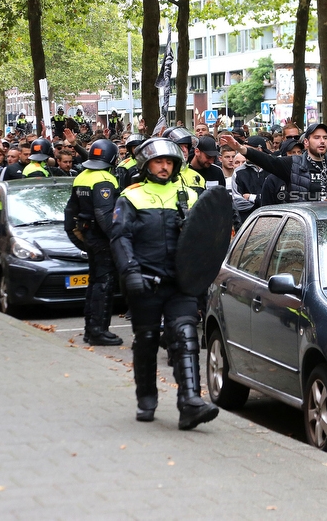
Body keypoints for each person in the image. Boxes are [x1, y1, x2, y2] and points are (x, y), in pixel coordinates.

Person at [110, 138, 219, 429]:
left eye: (169, 162)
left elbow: (203, 236)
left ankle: (190, 402)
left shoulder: (188, 196)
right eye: (158, 162)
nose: (164, 167)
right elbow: (120, 237)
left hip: (180, 282)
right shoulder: (130, 197)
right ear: (146, 165)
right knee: (146, 341)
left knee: (186, 336)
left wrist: (202, 275)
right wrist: (129, 270)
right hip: (144, 282)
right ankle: (146, 396)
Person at [65, 139, 123, 346]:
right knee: (104, 284)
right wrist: (117, 238)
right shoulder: (105, 179)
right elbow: (104, 213)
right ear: (113, 158)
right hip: (102, 238)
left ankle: (90, 329)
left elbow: (70, 210)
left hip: (88, 235)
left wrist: (75, 236)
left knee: (94, 282)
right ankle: (98, 330)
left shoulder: (81, 177)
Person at [221, 123, 327, 203]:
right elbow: (268, 161)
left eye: (325, 138)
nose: (322, 141)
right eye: (316, 137)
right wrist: (241, 149)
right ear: (306, 142)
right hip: (303, 226)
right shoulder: (293, 164)